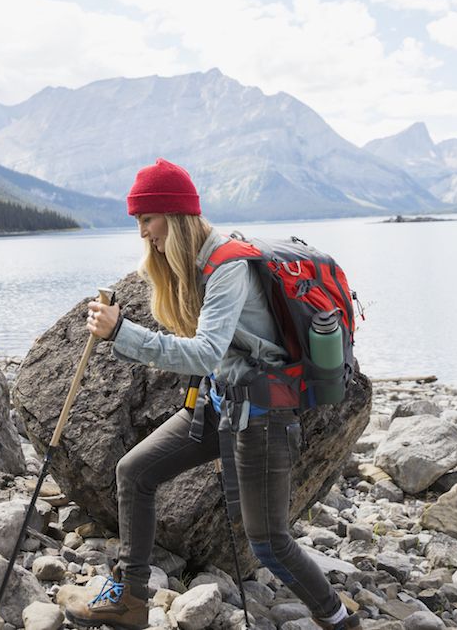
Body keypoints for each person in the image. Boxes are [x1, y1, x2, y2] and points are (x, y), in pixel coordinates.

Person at [64, 158, 359, 630]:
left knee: (268, 543)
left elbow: (203, 353)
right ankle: (130, 599)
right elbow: (208, 355)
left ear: (175, 217)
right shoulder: (193, 263)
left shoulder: (229, 265)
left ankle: (341, 620)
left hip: (263, 413)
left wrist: (122, 331)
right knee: (134, 471)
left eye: (147, 220)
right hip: (220, 402)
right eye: (139, 222)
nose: (143, 233)